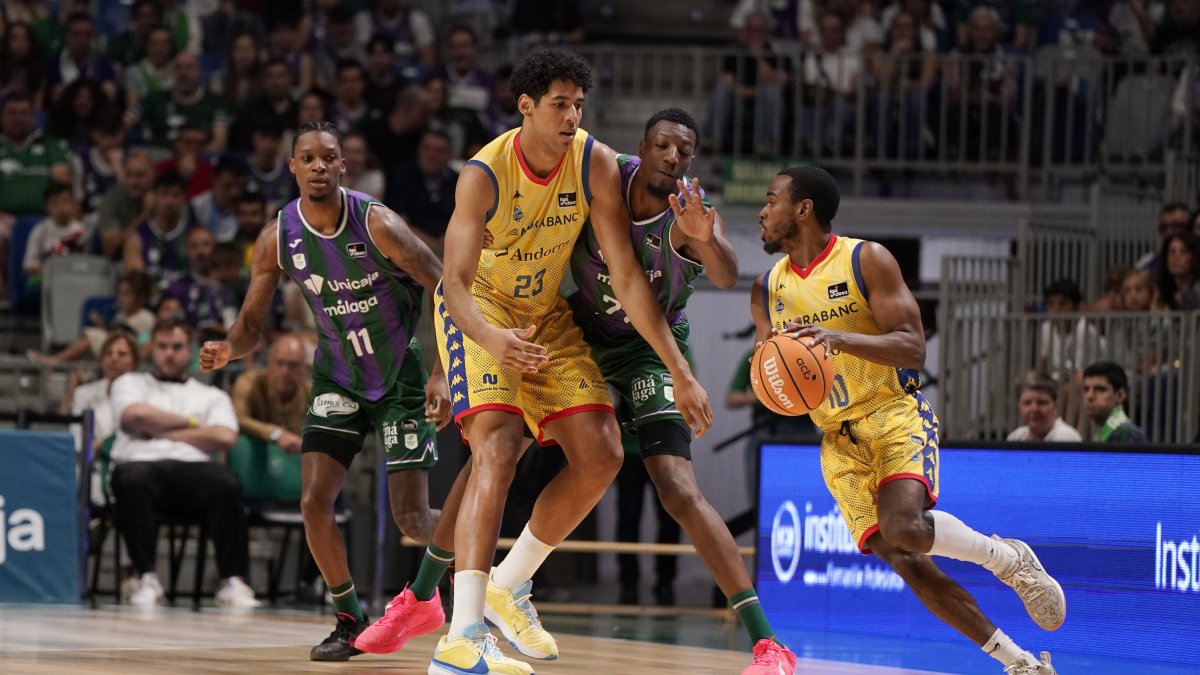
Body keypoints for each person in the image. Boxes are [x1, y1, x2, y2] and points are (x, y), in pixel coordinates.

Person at [419, 48, 711, 675]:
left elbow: (627, 278)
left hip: (545, 313)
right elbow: (454, 284)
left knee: (602, 451)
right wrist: (492, 339)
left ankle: (508, 586)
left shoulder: (593, 161)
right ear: (526, 106)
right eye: (560, 105)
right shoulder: (484, 173)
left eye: (579, 104)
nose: (572, 116)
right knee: (498, 447)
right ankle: (461, 637)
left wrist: (681, 372)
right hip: (481, 310)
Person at [751, 165, 1062, 675]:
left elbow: (913, 347)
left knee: (906, 528)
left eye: (771, 200)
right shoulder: (765, 288)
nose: (762, 212)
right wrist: (773, 378)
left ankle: (1007, 559)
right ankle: (1020, 662)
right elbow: (775, 376)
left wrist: (837, 338)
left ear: (803, 208)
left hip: (892, 413)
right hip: (836, 441)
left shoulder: (865, 259)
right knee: (905, 560)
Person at [197, 121, 451, 661]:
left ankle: (479, 576)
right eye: (307, 158)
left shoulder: (378, 223)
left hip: (400, 375)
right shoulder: (277, 237)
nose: (318, 166)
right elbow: (251, 326)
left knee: (411, 518)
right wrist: (227, 348)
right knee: (314, 501)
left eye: (328, 157)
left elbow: (445, 286)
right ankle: (349, 619)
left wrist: (442, 372)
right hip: (337, 376)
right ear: (292, 166)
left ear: (342, 165)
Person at [565, 107, 797, 673]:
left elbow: (726, 273)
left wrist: (706, 239)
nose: (673, 157)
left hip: (652, 347)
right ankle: (450, 592)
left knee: (678, 489)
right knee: (507, 444)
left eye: (684, 152)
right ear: (644, 146)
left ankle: (766, 642)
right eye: (664, 146)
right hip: (580, 332)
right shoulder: (603, 177)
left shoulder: (688, 210)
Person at [109, 317, 259, 608]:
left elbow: (225, 437)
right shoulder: (129, 383)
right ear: (152, 349)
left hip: (193, 471)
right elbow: (134, 415)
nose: (169, 354)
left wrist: (159, 428)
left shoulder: (211, 395)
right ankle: (145, 578)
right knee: (129, 479)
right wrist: (193, 424)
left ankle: (232, 581)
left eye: (177, 347)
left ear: (190, 350)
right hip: (142, 465)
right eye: (162, 346)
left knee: (226, 483)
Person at [231, 334, 309, 454]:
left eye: (293, 365)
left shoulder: (313, 393)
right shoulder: (249, 383)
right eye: (279, 363)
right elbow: (238, 418)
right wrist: (277, 434)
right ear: (269, 363)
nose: (285, 372)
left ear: (305, 368)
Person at [1082, 361, 1149, 443]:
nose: (1089, 396)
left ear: (1120, 395)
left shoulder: (1126, 435)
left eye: (1100, 389)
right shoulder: (1107, 432)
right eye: (1086, 389)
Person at [1006, 372, 1082, 442]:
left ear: (1055, 406)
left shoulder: (1066, 438)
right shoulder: (1016, 437)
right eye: (1027, 403)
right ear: (1018, 407)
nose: (1034, 409)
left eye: (1041, 403)